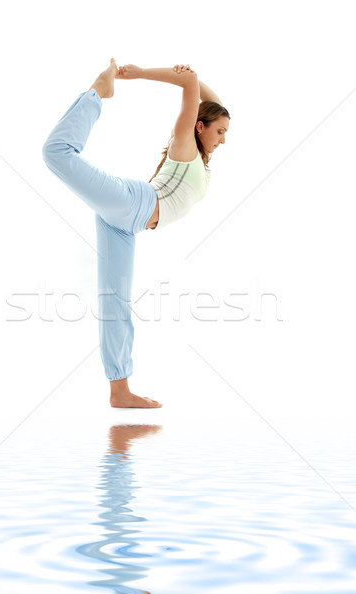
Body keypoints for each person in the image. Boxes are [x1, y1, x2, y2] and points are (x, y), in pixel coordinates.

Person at [42, 58, 230, 409]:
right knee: (56, 152)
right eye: (220, 131)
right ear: (200, 126)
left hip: (127, 223)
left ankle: (120, 391)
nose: (224, 140)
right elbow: (191, 86)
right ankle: (99, 92)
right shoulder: (185, 146)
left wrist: (193, 79)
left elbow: (205, 93)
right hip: (135, 204)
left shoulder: (201, 161)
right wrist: (146, 75)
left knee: (116, 303)